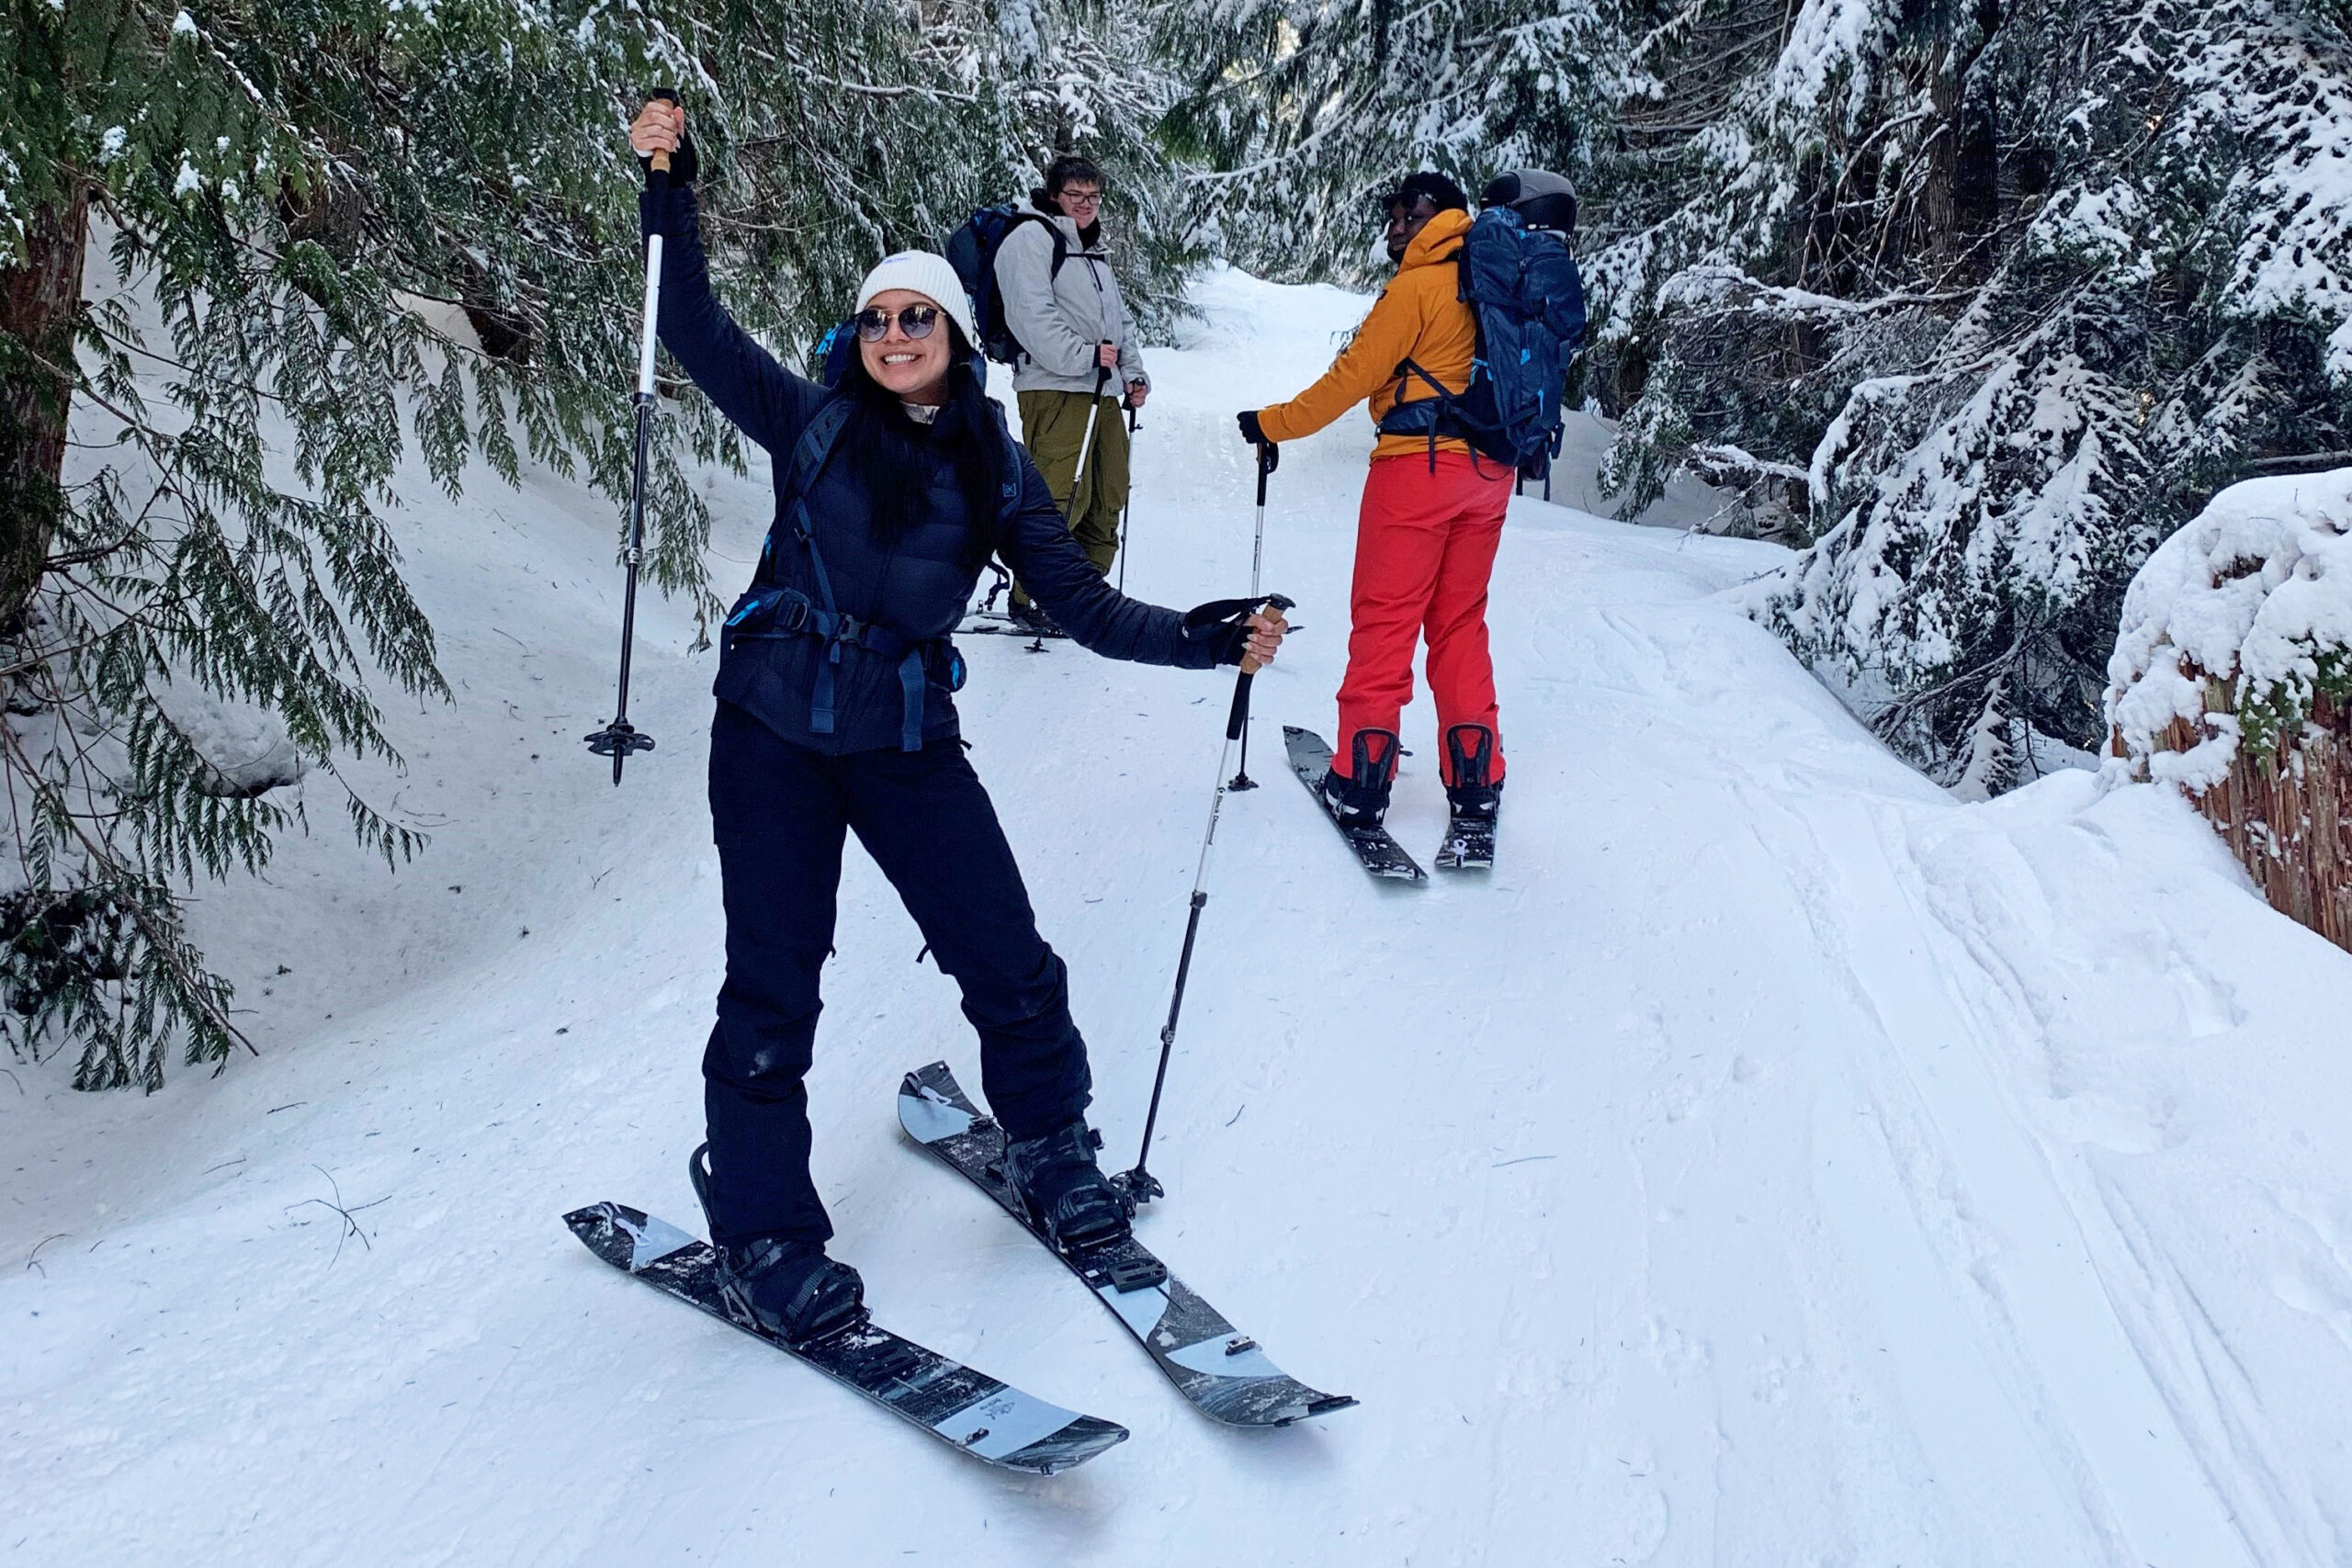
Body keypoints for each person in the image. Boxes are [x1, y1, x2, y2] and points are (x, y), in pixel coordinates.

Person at [626, 100, 1286, 1343]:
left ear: (955, 334)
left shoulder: (992, 460)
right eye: (876, 317)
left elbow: (1081, 601)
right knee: (774, 982)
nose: (892, 333)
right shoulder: (809, 419)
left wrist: (1201, 636)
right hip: (769, 731)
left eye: (915, 314)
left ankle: (1048, 1145)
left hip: (903, 736)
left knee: (1006, 952)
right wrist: (671, 185)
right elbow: (692, 325)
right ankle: (763, 1227)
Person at [1234, 172, 1507, 832]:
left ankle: (1361, 783)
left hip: (1417, 472)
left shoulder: (1419, 286)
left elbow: (1351, 378)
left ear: (1431, 215)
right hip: (1491, 475)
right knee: (1460, 623)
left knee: (1386, 622)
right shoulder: (1492, 280)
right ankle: (1476, 784)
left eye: (1401, 213)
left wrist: (1273, 423)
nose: (1392, 226)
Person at [994, 154, 1149, 630]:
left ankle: (1081, 596)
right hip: (1055, 386)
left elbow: (1119, 322)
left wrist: (1132, 373)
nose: (1086, 205)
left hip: (1100, 391)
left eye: (1094, 197)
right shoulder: (1030, 239)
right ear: (1055, 195)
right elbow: (1030, 316)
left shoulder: (1091, 250)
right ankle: (1032, 598)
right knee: (1062, 496)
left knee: (1108, 492)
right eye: (1076, 195)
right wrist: (1085, 357)